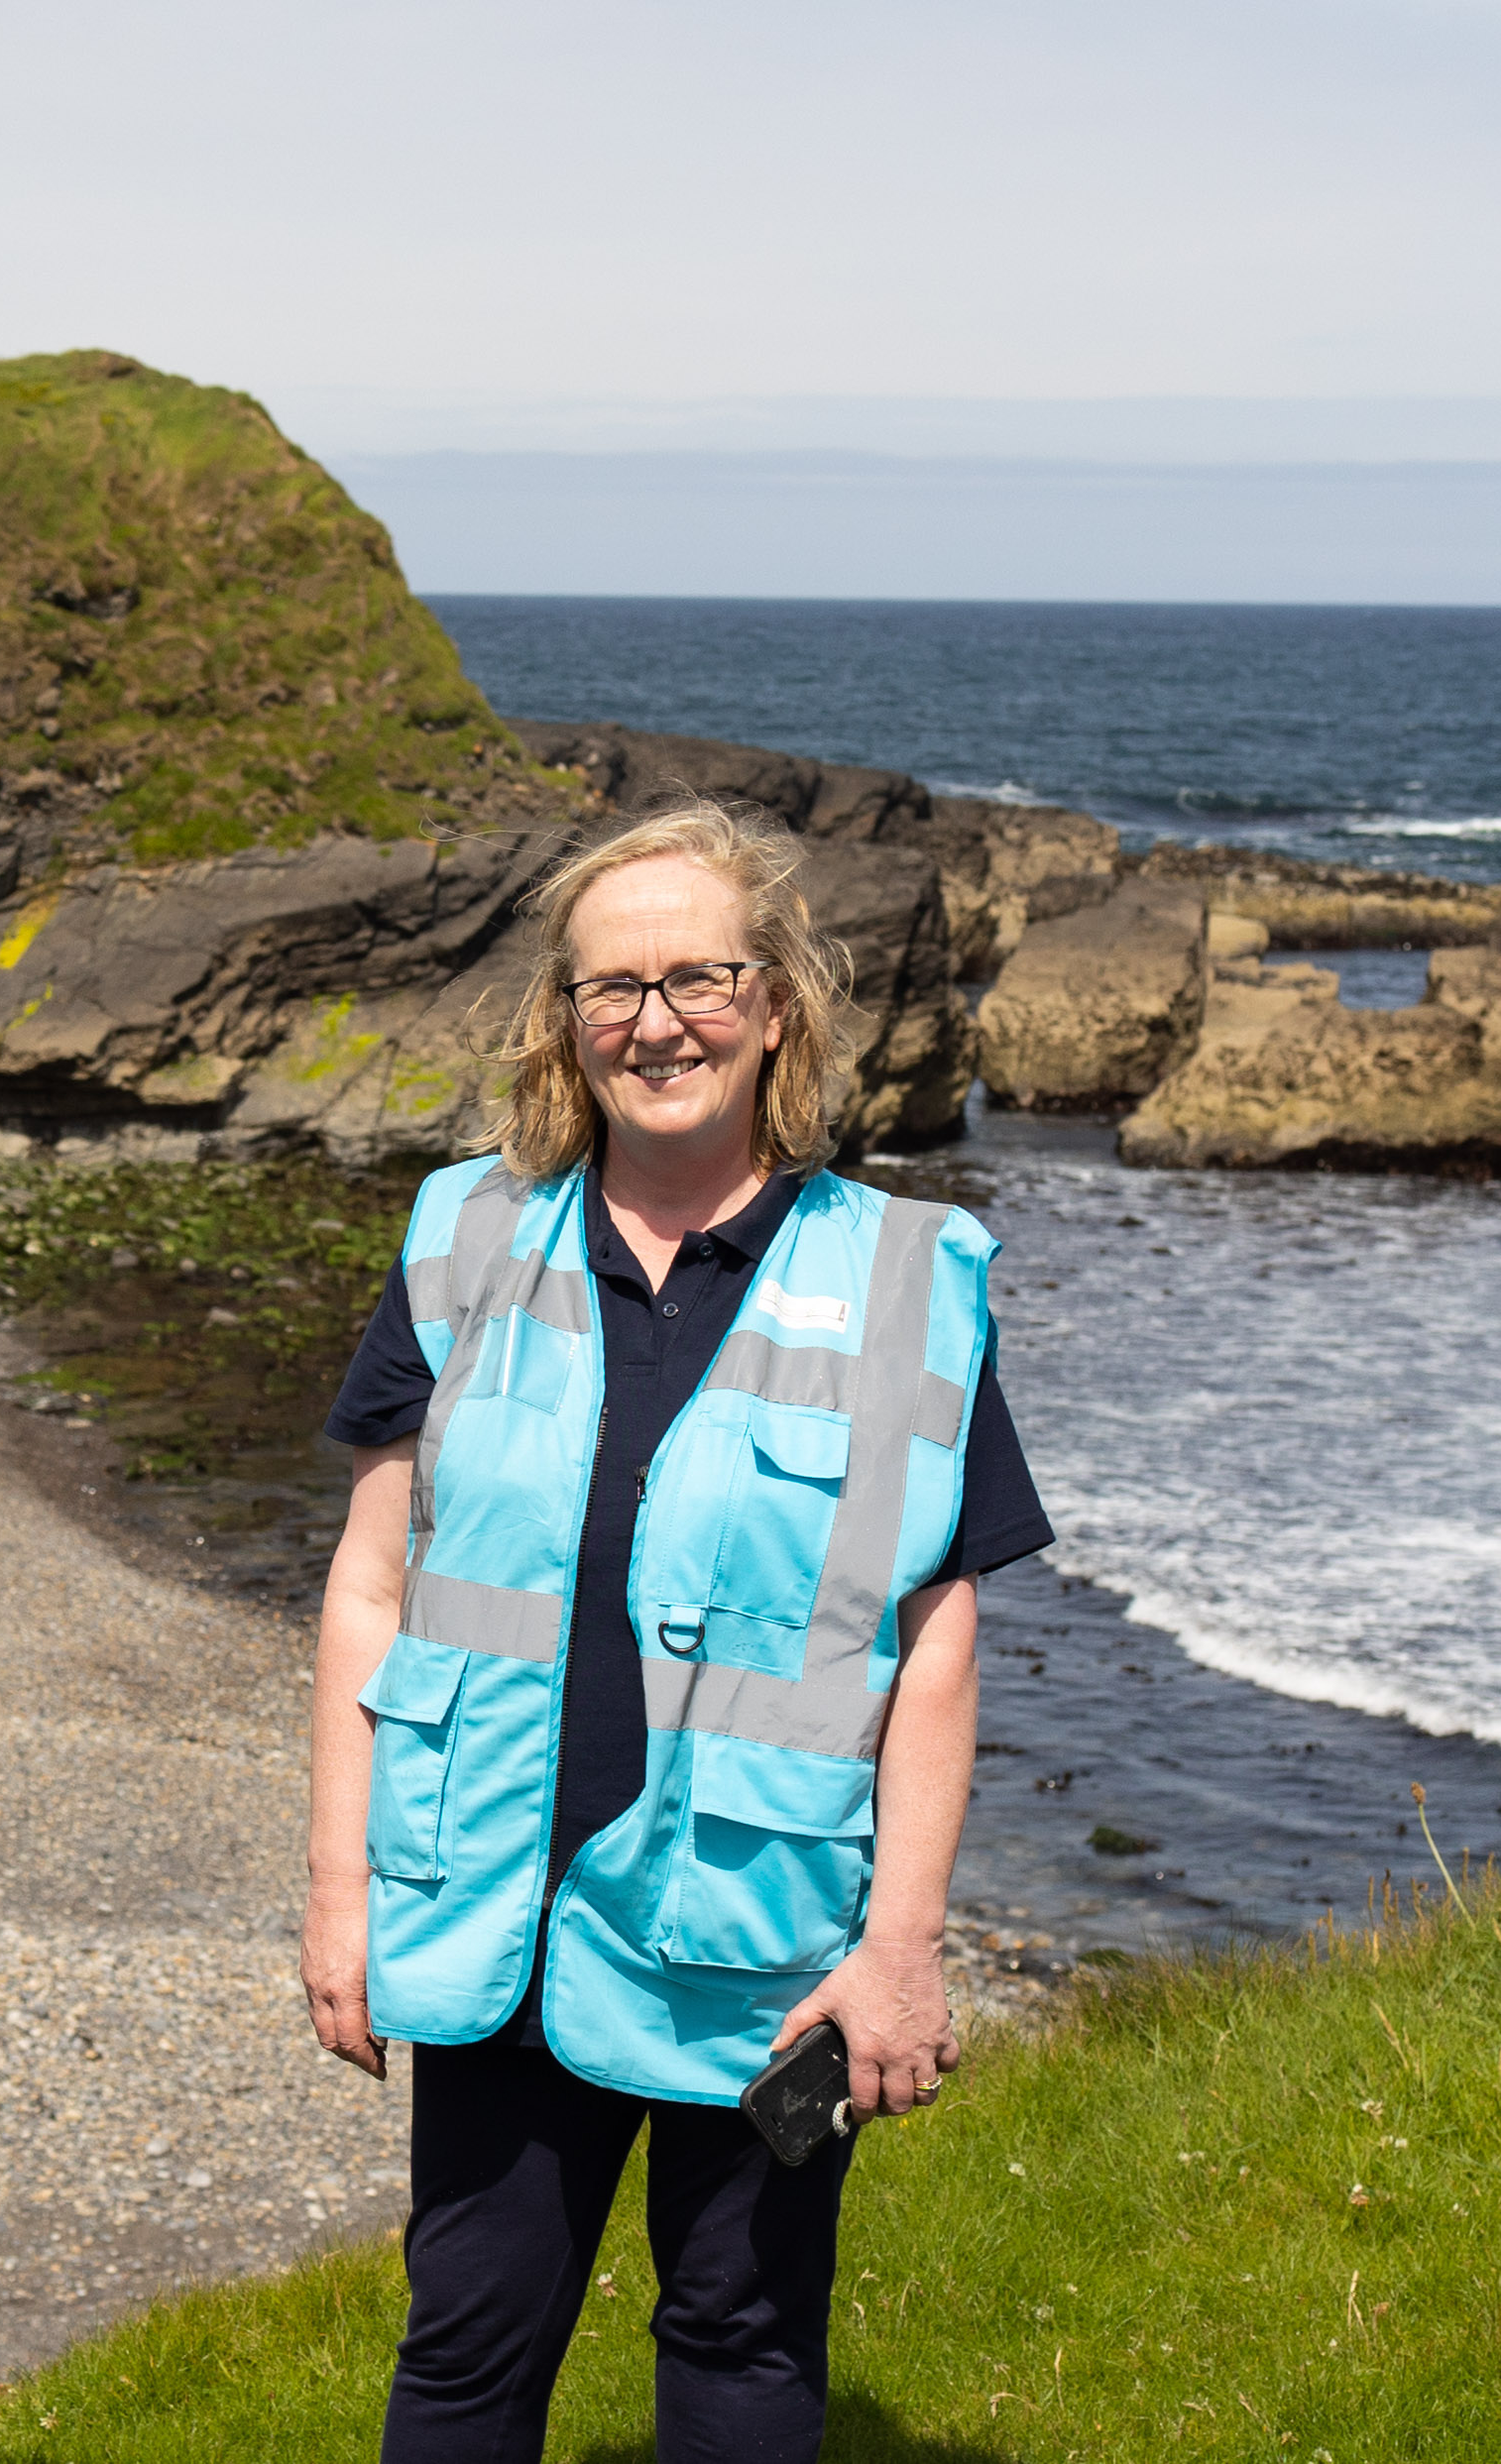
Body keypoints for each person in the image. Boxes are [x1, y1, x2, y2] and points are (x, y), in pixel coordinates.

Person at [303, 798, 1054, 2463]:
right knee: (464, 2347)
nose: (656, 1021)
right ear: (564, 1025)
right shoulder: (460, 1237)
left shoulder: (914, 1277)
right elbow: (367, 1583)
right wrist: (337, 1893)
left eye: (699, 977)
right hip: (492, 1908)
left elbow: (936, 1634)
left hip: (763, 1941)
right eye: (610, 987)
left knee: (742, 2337)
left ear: (775, 1001)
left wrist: (903, 1950)